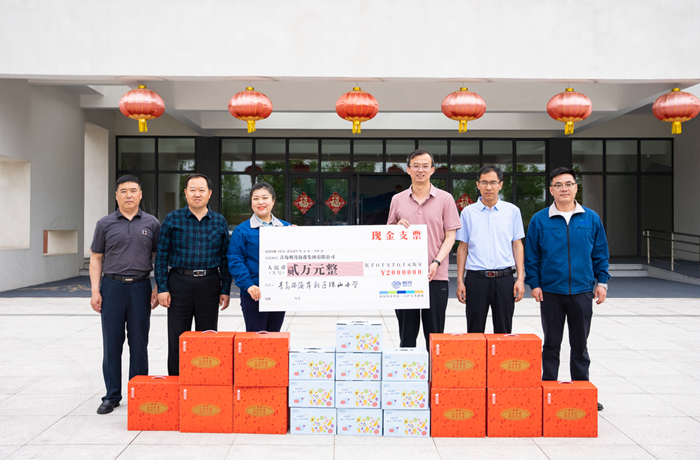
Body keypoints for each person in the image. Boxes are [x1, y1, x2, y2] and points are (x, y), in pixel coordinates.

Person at [525, 166, 610, 411]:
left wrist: (602, 282)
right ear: (551, 190)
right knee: (551, 343)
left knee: (580, 345)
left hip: (582, 291)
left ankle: (582, 392)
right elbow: (532, 255)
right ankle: (548, 391)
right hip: (551, 292)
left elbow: (600, 253)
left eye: (568, 184)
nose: (564, 189)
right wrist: (534, 284)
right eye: (559, 185)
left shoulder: (590, 218)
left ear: (576, 188)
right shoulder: (540, 219)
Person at [89, 175, 160, 414]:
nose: (128, 195)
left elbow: (159, 257)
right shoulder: (104, 223)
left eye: (133, 190)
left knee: (139, 343)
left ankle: (139, 393)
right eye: (123, 191)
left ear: (140, 195)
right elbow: (96, 258)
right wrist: (95, 291)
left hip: (141, 287)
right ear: (116, 195)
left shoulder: (151, 223)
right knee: (112, 343)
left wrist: (158, 286)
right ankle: (111, 396)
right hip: (112, 287)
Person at [155, 173, 232, 376]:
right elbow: (161, 255)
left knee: (207, 337)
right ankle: (177, 382)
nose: (197, 194)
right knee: (177, 338)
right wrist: (162, 288)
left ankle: (204, 382)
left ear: (209, 193)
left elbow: (225, 258)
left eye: (201, 190)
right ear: (185, 193)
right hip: (179, 283)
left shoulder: (219, 221)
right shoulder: (172, 219)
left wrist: (225, 289)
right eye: (192, 190)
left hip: (209, 283)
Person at [387, 149, 461, 350]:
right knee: (406, 336)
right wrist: (396, 228)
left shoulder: (445, 199)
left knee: (435, 336)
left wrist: (436, 262)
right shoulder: (397, 200)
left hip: (435, 275)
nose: (421, 170)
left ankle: (433, 371)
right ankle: (408, 370)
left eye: (425, 166)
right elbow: (388, 235)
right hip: (405, 275)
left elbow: (450, 236)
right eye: (416, 166)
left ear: (432, 170)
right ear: (408, 170)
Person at [455, 166, 525, 333]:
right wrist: (460, 281)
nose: (488, 187)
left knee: (504, 331)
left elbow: (517, 245)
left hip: (504, 279)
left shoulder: (512, 211)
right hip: (476, 279)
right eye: (484, 182)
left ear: (500, 184)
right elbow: (462, 248)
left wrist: (520, 279)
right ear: (478, 185)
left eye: (493, 182)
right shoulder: (468, 213)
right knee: (474, 331)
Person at [228, 182, 291, 332]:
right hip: (253, 294)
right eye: (255, 198)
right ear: (251, 202)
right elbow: (235, 260)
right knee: (255, 338)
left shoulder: (286, 228)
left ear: (273, 201)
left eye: (265, 198)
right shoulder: (242, 230)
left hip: (278, 292)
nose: (260, 202)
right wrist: (249, 285)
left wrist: (296, 237)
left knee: (274, 337)